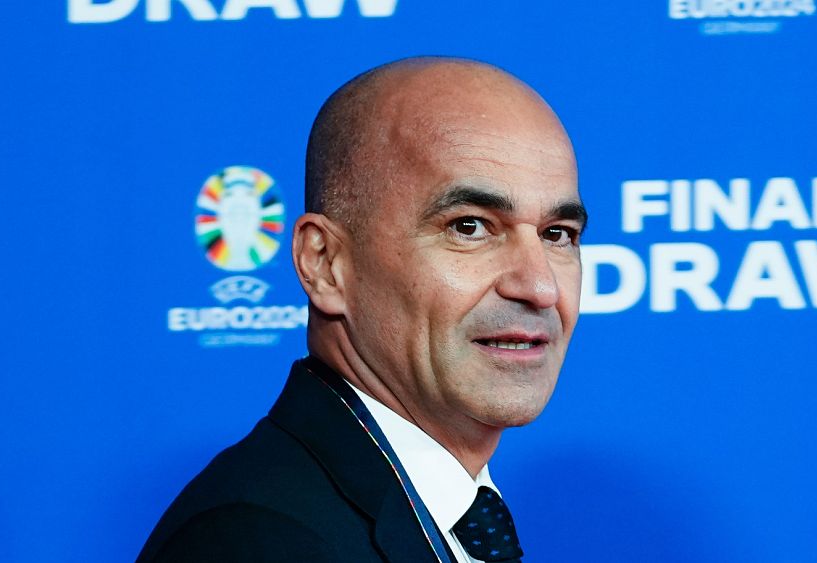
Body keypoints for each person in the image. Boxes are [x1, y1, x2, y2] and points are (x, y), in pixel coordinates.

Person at [137, 56, 587, 563]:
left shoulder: (454, 514)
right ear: (325, 263)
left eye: (558, 234)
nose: (540, 287)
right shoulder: (257, 542)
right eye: (469, 227)